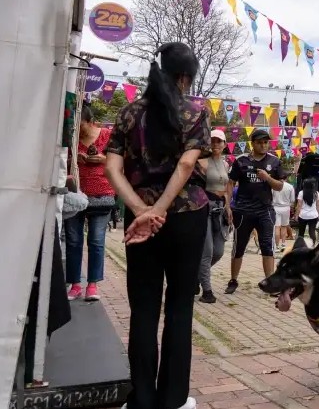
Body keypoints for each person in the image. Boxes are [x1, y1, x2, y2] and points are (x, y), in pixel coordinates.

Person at [104, 42, 210, 409]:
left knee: (144, 309)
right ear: (185, 76)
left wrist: (141, 209)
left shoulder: (129, 112)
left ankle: (143, 399)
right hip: (187, 216)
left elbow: (112, 167)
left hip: (140, 222)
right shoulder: (195, 111)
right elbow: (185, 167)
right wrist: (161, 209)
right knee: (180, 308)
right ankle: (173, 399)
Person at [225, 129, 286, 294]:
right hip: (243, 210)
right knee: (239, 247)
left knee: (267, 246)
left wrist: (267, 178)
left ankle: (271, 284)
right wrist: (228, 204)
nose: (264, 145)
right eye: (260, 142)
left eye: (266, 142)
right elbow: (230, 183)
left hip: (265, 211)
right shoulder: (241, 161)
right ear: (253, 143)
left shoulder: (274, 161)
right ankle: (233, 280)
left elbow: (280, 186)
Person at [67, 102, 116, 301]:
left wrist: (103, 159)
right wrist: (74, 158)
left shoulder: (107, 134)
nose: (78, 130)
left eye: (82, 125)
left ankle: (93, 284)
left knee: (96, 240)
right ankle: (75, 283)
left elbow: (120, 159)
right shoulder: (70, 138)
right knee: (73, 240)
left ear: (90, 121)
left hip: (102, 193)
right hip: (76, 193)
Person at [196, 129, 232, 304]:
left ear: (225, 144)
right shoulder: (201, 163)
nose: (216, 144)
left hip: (219, 209)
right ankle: (207, 291)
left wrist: (228, 207)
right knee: (207, 251)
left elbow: (225, 188)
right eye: (213, 141)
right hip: (203, 208)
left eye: (219, 141)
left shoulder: (225, 165)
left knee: (218, 251)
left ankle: (195, 278)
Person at [271, 174, 296, 252]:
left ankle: (276, 246)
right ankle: (283, 244)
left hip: (275, 207)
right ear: (286, 178)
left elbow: (270, 197)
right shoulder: (290, 187)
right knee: (284, 226)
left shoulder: (274, 186)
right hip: (286, 208)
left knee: (277, 227)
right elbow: (292, 200)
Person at [295, 178, 319, 245]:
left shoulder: (301, 193)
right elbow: (318, 205)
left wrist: (296, 215)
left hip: (303, 215)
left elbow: (299, 205)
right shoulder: (316, 193)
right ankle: (313, 244)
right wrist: (317, 214)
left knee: (301, 232)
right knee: (312, 231)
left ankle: (300, 245)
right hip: (313, 215)